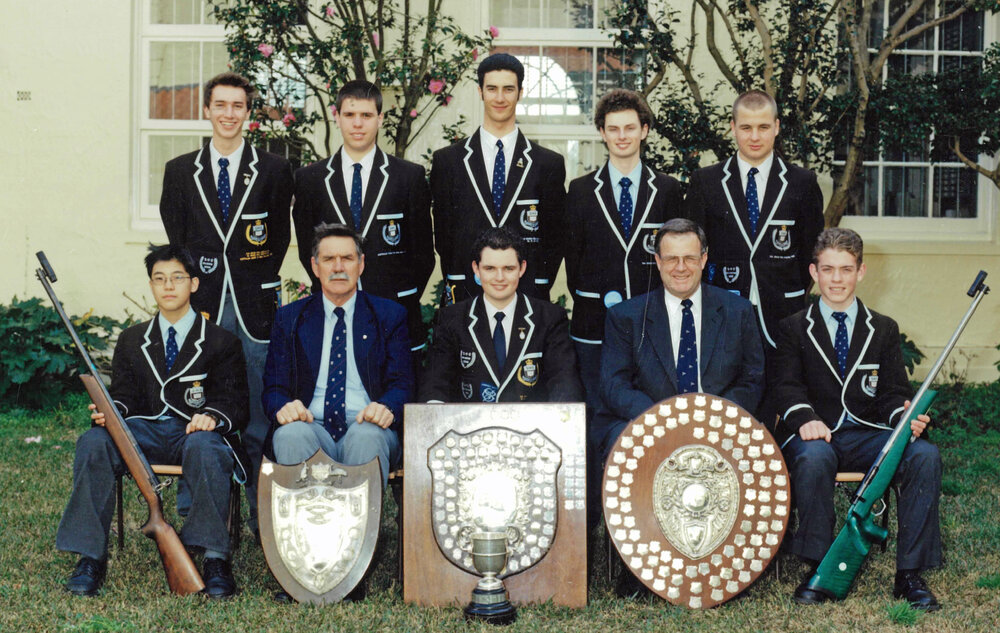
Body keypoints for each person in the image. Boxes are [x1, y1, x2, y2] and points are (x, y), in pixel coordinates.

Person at [57, 245, 249, 599]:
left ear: (193, 283)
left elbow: (234, 403)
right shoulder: (133, 339)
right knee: (94, 441)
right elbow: (125, 396)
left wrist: (211, 417)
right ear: (151, 286)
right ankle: (90, 557)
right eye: (159, 279)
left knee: (207, 446)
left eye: (177, 278)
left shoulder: (222, 341)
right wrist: (110, 411)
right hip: (142, 431)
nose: (168, 286)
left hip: (191, 433)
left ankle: (214, 557)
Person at [771, 228, 941, 610]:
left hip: (868, 435)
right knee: (814, 458)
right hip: (816, 434)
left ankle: (910, 574)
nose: (836, 279)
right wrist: (804, 418)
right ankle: (818, 565)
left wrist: (904, 416)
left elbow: (894, 393)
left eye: (846, 270)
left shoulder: (882, 328)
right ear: (813, 272)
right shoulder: (794, 327)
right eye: (828, 269)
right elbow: (785, 386)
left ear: (861, 272)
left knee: (923, 455)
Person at [159, 71, 294, 530]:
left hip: (253, 306)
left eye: (238, 106)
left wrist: (246, 274)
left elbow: (277, 240)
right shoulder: (180, 171)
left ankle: (260, 512)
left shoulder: (274, 170)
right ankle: (195, 508)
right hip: (203, 307)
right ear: (207, 109)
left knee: (257, 407)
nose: (229, 114)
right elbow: (178, 239)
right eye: (221, 105)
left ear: (248, 113)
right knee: (196, 404)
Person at [681, 90, 823, 422]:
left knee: (782, 401)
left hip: (783, 313)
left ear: (776, 127)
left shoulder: (801, 182)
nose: (754, 136)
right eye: (746, 128)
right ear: (733, 128)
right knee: (728, 407)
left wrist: (785, 288)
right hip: (725, 312)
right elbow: (694, 251)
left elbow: (811, 255)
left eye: (762, 127)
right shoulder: (707, 181)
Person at [594, 217, 765, 470]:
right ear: (658, 261)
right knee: (622, 439)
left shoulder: (737, 311)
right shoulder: (626, 316)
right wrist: (668, 420)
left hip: (718, 425)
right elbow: (614, 385)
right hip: (651, 423)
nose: (681, 267)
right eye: (672, 259)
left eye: (690, 258)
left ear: (704, 260)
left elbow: (752, 380)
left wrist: (711, 417)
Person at [262, 223, 413, 489]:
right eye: (329, 259)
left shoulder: (389, 315)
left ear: (361, 264)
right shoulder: (290, 318)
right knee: (290, 434)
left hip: (366, 425)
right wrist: (283, 407)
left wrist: (387, 407)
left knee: (367, 437)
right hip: (311, 426)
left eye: (347, 258)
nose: (338, 267)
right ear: (315, 266)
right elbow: (273, 388)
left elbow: (403, 384)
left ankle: (360, 531)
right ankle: (303, 530)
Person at [292, 80, 434, 358]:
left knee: (394, 397)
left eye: (366, 115)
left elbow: (423, 256)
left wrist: (399, 299)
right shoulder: (310, 180)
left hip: (395, 313)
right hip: (333, 312)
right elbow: (308, 252)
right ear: (337, 117)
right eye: (350, 115)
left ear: (380, 119)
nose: (358, 124)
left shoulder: (408, 177)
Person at [564, 88, 682, 416]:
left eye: (630, 128)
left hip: (652, 322)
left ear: (644, 130)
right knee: (597, 413)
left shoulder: (668, 189)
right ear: (602, 133)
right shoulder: (581, 190)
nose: (622, 136)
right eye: (613, 129)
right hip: (595, 322)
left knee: (652, 414)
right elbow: (574, 261)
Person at [430, 53, 566, 306]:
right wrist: (460, 278)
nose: (500, 98)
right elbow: (444, 236)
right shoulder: (449, 161)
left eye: (508, 89)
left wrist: (538, 281)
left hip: (527, 295)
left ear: (520, 93)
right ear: (480, 92)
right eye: (492, 89)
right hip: (467, 294)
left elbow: (555, 239)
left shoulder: (548, 163)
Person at [420, 228, 583, 403]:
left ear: (522, 269)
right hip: (470, 427)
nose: (499, 277)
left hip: (531, 426)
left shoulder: (549, 318)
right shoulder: (451, 319)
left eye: (508, 268)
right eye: (490, 268)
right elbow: (435, 385)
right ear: (476, 269)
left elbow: (564, 383)